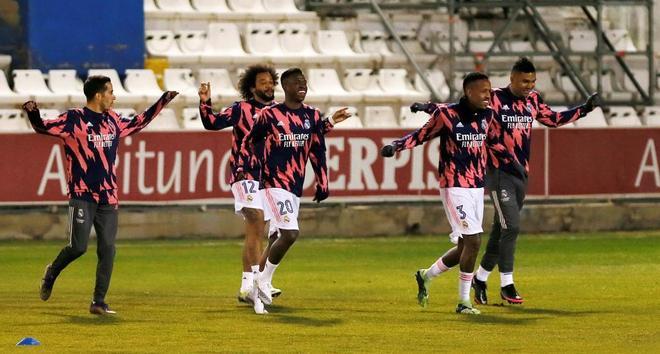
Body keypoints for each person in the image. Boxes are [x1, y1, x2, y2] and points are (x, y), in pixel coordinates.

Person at [23, 75, 178, 315]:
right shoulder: (74, 119)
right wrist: (33, 114)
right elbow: (42, 126)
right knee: (78, 247)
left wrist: (163, 101)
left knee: (108, 248)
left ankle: (98, 301)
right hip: (82, 194)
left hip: (108, 196)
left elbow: (139, 122)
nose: (113, 97)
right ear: (98, 95)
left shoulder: (113, 120)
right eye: (110, 92)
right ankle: (52, 271)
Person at [472, 57, 601, 305]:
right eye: (523, 81)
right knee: (512, 226)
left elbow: (552, 119)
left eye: (532, 81)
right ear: (511, 78)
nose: (528, 86)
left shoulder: (533, 99)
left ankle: (480, 278)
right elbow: (481, 131)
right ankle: (507, 285)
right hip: (499, 173)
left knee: (501, 230)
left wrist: (584, 109)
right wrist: (502, 155)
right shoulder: (495, 99)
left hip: (521, 174)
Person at [381, 72, 512, 315]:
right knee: (473, 240)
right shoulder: (447, 116)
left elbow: (493, 142)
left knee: (465, 246)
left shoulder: (488, 114)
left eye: (490, 90)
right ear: (469, 92)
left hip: (476, 186)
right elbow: (420, 135)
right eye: (483, 91)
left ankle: (425, 275)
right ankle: (463, 302)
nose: (489, 95)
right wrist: (396, 146)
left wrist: (510, 161)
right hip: (454, 185)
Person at [237, 68, 351, 309]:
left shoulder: (312, 115)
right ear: (286, 87)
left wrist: (323, 180)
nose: (302, 85)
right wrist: (244, 168)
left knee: (279, 235)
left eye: (305, 82)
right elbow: (249, 141)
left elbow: (318, 149)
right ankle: (262, 280)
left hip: (294, 185)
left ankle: (261, 283)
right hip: (272, 182)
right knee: (290, 233)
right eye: (297, 82)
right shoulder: (270, 114)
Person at [198, 65, 280, 314]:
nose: (268, 86)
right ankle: (252, 285)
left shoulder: (278, 113)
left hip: (270, 177)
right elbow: (212, 123)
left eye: (270, 82)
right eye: (263, 82)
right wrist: (204, 102)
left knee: (272, 231)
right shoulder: (240, 109)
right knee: (255, 220)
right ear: (252, 87)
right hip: (244, 172)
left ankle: (255, 283)